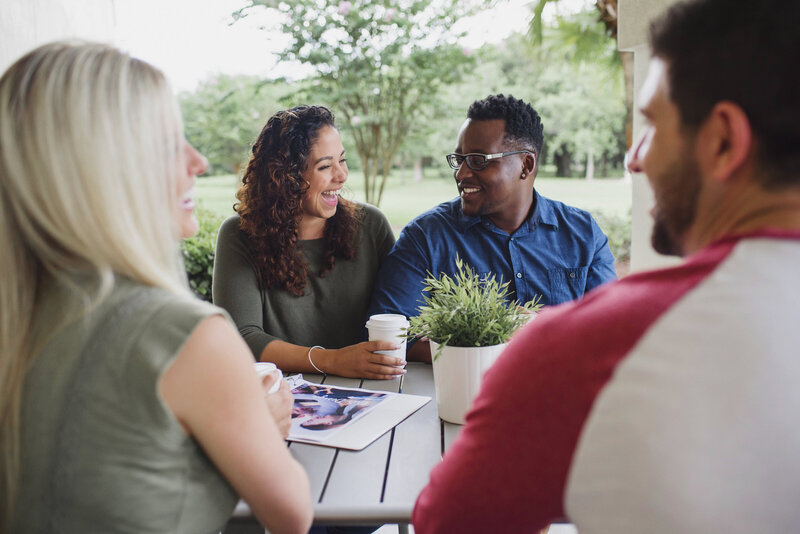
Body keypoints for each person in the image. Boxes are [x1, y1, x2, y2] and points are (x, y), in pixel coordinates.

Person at [412, 0, 800, 532]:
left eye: (653, 125)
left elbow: (447, 523)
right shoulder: (431, 234)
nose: (634, 157)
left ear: (724, 140)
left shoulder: (584, 349)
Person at [0, 42, 312, 534]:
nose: (199, 160)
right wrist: (261, 426)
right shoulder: (185, 335)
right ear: (101, 169)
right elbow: (292, 515)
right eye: (169, 144)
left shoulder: (21, 314)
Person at [367, 94, 617, 361]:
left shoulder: (583, 234)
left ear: (526, 165)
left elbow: (613, 331)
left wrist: (547, 327)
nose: (461, 174)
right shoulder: (426, 237)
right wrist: (495, 343)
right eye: (459, 159)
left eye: (478, 160)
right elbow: (391, 338)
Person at [213, 105, 404, 379]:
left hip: (374, 391)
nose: (341, 175)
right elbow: (242, 337)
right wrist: (331, 361)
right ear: (285, 176)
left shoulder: (371, 225)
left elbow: (402, 316)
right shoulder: (240, 234)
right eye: (325, 166)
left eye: (342, 160)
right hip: (287, 400)